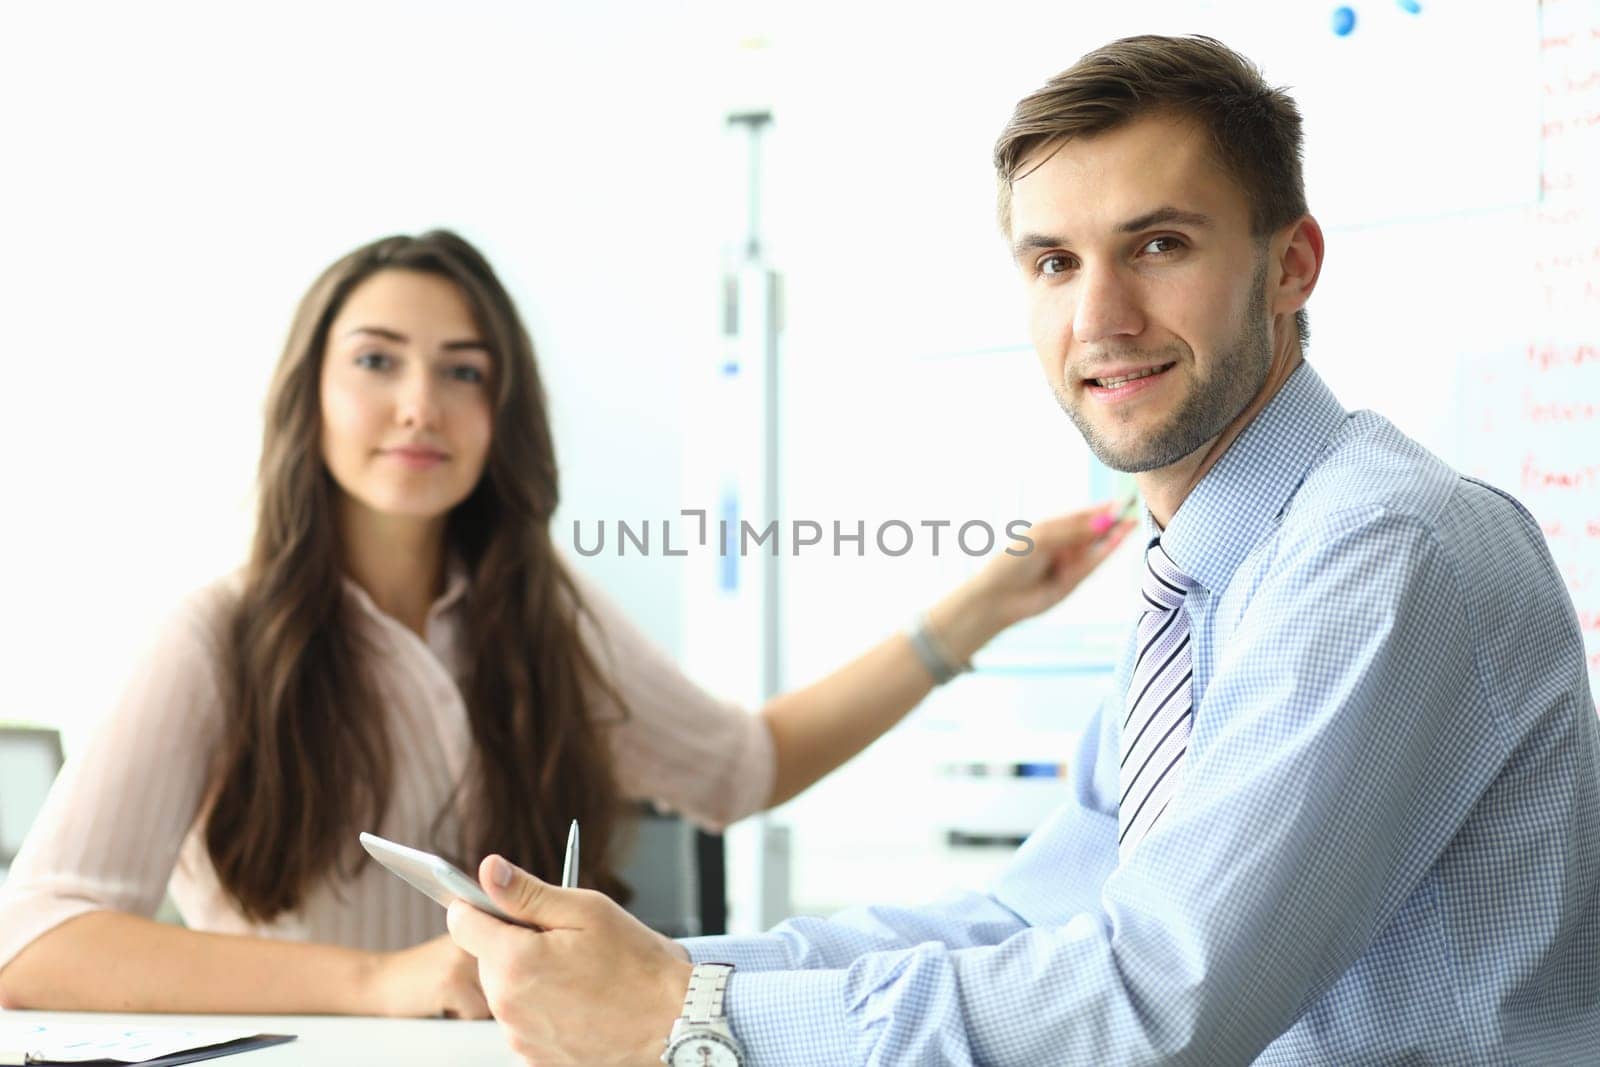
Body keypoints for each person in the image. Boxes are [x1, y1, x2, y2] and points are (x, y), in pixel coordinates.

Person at [443, 35, 1600, 1064]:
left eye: (1156, 245)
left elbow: (1153, 1004)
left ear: (1290, 264)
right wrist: (654, 966)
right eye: (1053, 262)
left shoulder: (1375, 551)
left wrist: (691, 1012)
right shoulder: (1201, 576)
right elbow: (1028, 920)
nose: (1098, 316)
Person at [0, 231, 1134, 1018]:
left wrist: (981, 606)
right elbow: (33, 941)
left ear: (501, 412)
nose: (418, 404)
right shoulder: (214, 634)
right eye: (377, 361)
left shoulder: (542, 609)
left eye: (463, 371)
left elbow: (743, 766)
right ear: (310, 394)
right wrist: (377, 982)